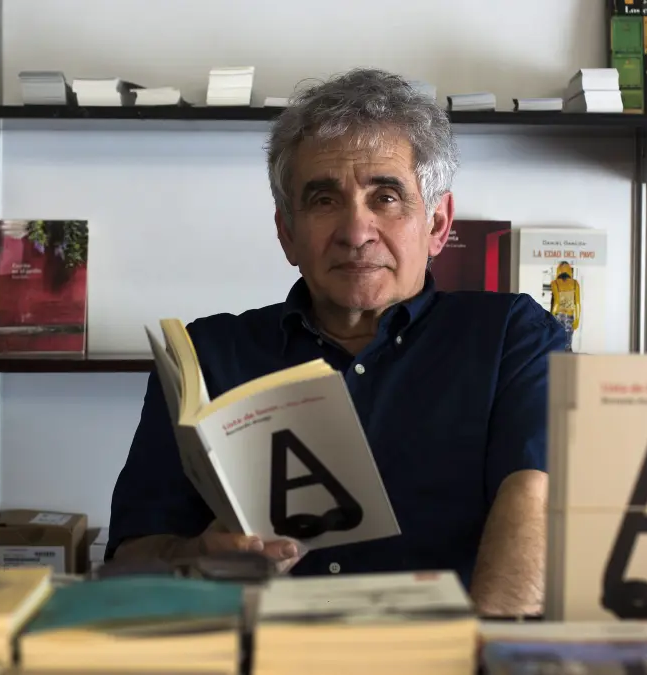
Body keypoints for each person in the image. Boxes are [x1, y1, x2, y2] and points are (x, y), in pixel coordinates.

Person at [106, 68, 567, 616]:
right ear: (287, 232)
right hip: (260, 647)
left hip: (448, 647)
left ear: (438, 224)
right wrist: (198, 558)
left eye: (386, 197)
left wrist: (478, 650)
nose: (355, 231)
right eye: (324, 200)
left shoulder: (511, 337)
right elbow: (128, 563)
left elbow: (534, 504)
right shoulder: (206, 354)